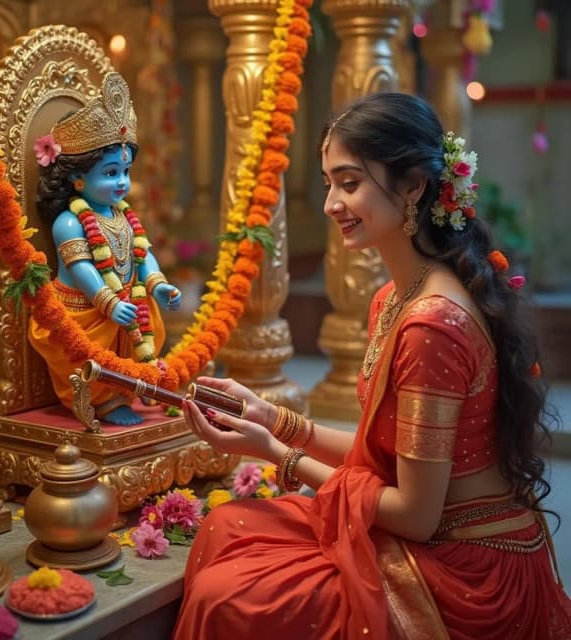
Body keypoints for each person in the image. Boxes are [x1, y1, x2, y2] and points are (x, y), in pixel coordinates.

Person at [172, 93, 571, 638]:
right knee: (226, 528)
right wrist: (271, 417)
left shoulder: (433, 323)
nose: (332, 202)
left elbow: (414, 514)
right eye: (329, 182)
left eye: (350, 182)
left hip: (466, 561)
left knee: (233, 596)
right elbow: (382, 451)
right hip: (435, 534)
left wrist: (275, 455)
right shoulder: (394, 297)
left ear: (413, 185)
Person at [28, 72, 182, 425]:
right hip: (88, 310)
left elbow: (141, 255)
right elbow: (82, 269)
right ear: (76, 178)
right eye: (111, 173)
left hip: (127, 304)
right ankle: (105, 400)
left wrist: (158, 284)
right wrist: (108, 302)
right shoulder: (69, 221)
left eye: (126, 171)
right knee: (90, 357)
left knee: (149, 331)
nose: (123, 182)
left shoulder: (122, 215)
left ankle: (126, 391)